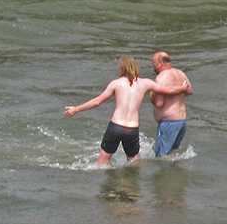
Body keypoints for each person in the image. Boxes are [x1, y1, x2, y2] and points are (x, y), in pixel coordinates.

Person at [64, 56, 192, 165]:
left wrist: (76, 109)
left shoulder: (116, 83)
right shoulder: (145, 83)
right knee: (133, 161)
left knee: (103, 161)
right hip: (132, 129)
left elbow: (97, 101)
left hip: (115, 127)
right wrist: (182, 88)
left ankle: (108, 191)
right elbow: (169, 90)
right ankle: (132, 191)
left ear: (122, 68)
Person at [149, 51, 193, 157]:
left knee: (162, 157)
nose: (152, 65)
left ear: (160, 63)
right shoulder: (180, 73)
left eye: (153, 62)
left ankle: (165, 174)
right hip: (181, 122)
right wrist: (177, 94)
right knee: (173, 153)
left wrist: (151, 95)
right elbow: (189, 90)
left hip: (169, 123)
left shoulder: (162, 77)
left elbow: (159, 103)